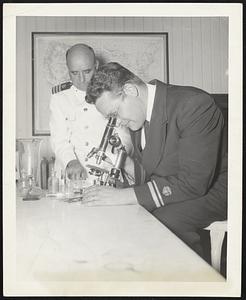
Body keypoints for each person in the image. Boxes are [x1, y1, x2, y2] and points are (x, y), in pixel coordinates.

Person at [83, 62, 227, 256]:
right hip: (183, 187)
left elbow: (194, 183)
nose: (117, 123)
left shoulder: (193, 104)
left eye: (115, 114)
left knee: (161, 221)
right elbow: (156, 174)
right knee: (130, 216)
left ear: (130, 90)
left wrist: (121, 196)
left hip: (219, 189)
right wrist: (125, 165)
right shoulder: (138, 117)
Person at [49, 45, 132, 181]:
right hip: (72, 178)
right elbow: (59, 140)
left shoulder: (114, 92)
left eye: (87, 71)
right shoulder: (60, 97)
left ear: (96, 65)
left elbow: (125, 136)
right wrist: (71, 162)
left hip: (108, 174)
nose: (82, 79)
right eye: (74, 73)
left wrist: (116, 163)